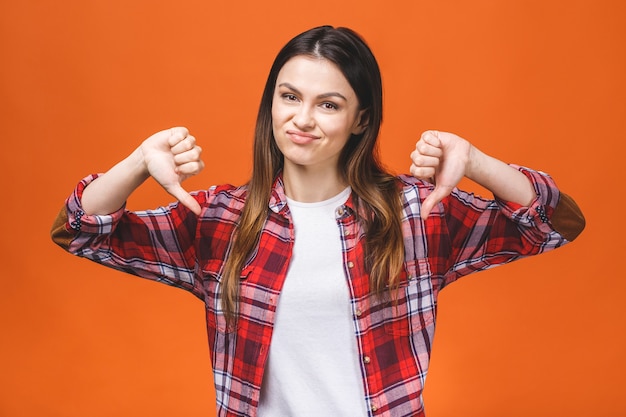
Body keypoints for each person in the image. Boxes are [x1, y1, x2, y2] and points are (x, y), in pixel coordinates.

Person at [51, 25, 585, 417]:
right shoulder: (220, 220)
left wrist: (477, 164)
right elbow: (78, 230)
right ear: (271, 104)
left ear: (361, 120)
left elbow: (557, 222)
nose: (302, 119)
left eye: (328, 105)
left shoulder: (416, 215)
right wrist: (140, 160)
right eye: (289, 97)